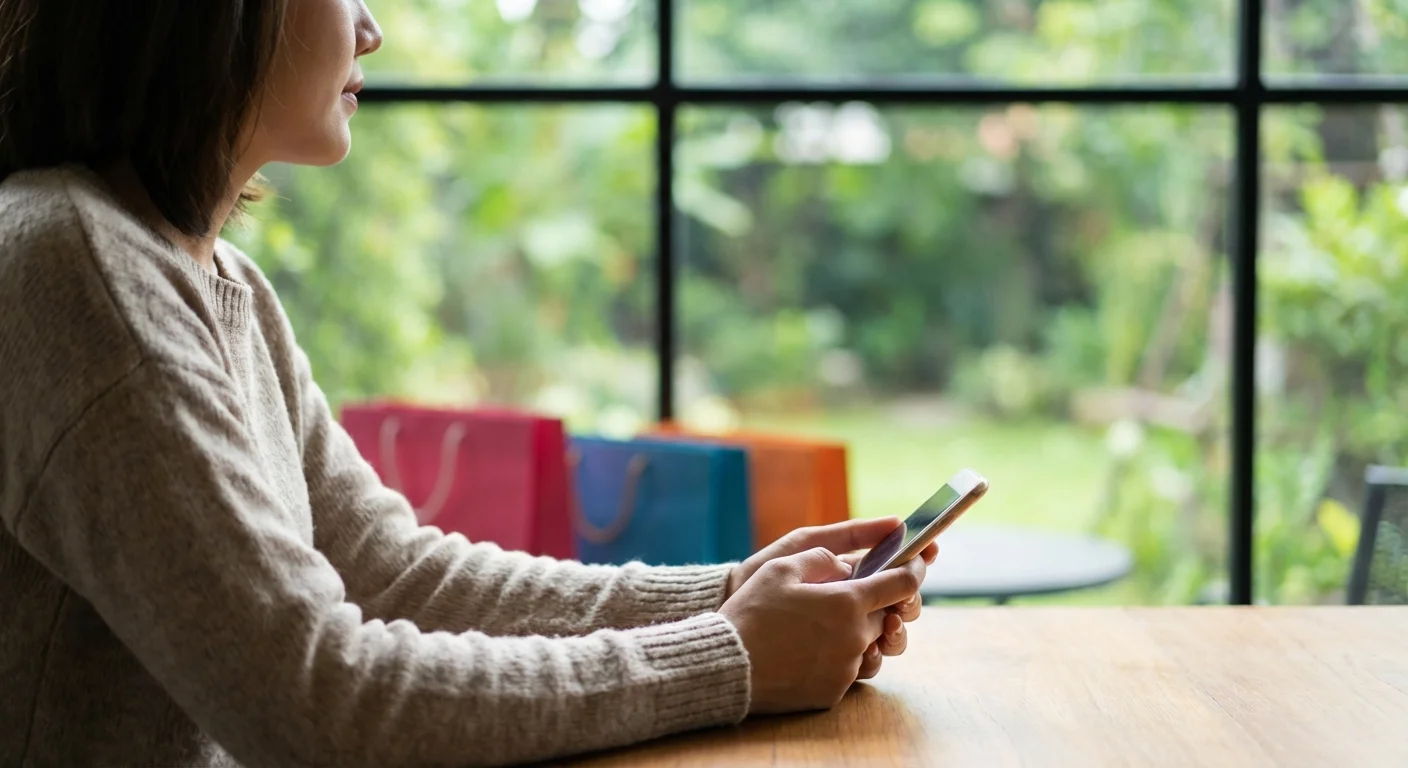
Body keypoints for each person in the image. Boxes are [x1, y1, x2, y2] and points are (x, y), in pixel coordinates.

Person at [0, 1, 937, 765]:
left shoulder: (216, 281)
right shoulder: (74, 266)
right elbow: (319, 698)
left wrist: (731, 593)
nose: (371, 29)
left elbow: (394, 574)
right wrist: (730, 656)